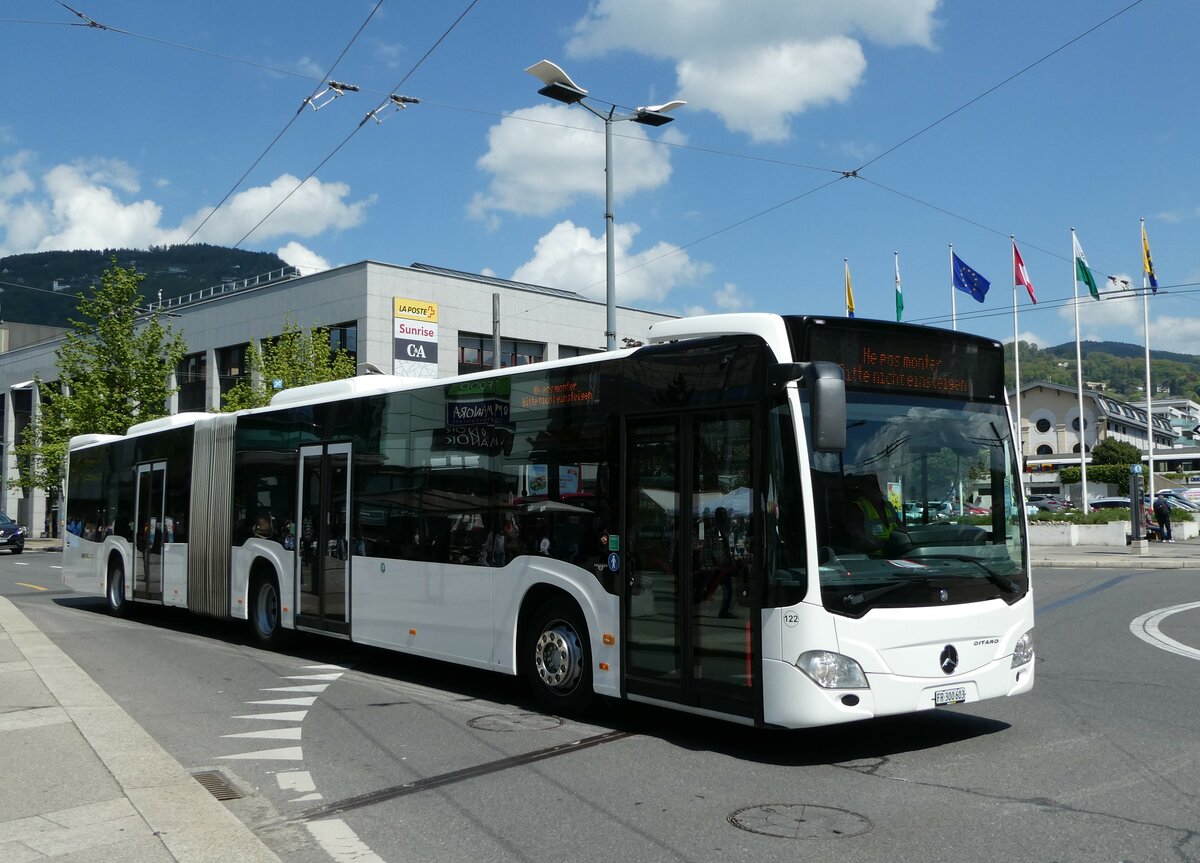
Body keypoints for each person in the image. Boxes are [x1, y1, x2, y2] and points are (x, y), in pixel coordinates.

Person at [843, 474, 903, 554]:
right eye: (873, 485)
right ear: (864, 488)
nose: (878, 488)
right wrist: (876, 544)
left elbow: (903, 529)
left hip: (896, 554)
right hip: (870, 559)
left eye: (879, 485)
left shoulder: (889, 505)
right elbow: (858, 535)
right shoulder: (856, 508)